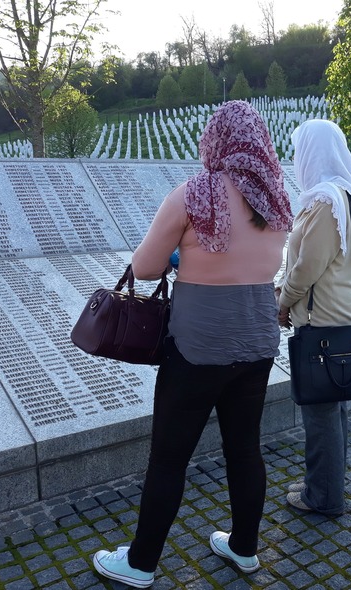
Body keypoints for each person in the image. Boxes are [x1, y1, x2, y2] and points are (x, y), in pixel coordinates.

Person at [92, 101, 293, 588]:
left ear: (216, 139)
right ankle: (245, 549)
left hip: (197, 348)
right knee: (245, 450)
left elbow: (143, 269)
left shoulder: (192, 195)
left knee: (169, 457)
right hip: (258, 345)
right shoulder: (278, 200)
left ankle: (140, 563)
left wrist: (184, 255)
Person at [276, 119, 351, 517]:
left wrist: (282, 301)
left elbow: (308, 267)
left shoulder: (328, 202)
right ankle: (325, 483)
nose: (298, 159)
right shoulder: (336, 196)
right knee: (332, 411)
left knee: (322, 414)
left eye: (301, 150)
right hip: (337, 318)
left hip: (324, 323)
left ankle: (324, 497)